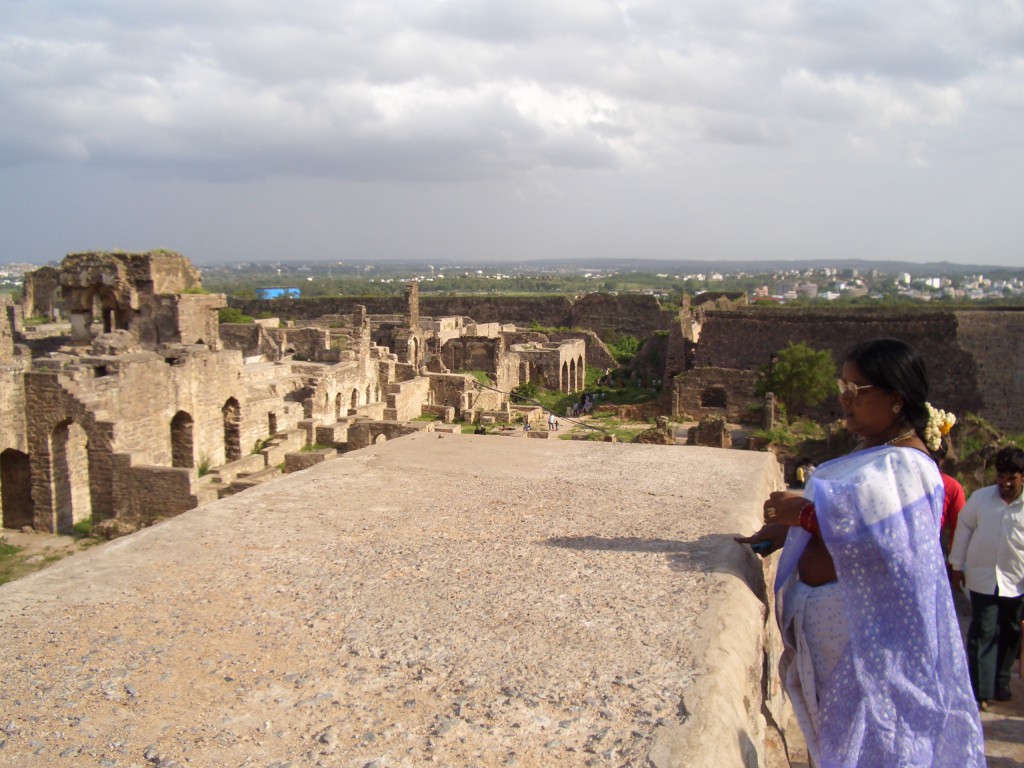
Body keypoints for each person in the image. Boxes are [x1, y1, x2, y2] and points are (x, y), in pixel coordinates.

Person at [737, 338, 984, 767]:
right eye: (843, 386)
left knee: (876, 744)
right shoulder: (876, 451)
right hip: (839, 639)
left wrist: (806, 514)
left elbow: (889, 540)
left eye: (857, 390)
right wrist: (786, 530)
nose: (844, 399)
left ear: (896, 399)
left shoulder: (910, 465)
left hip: (868, 643)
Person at [948, 446, 1024, 709]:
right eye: (1000, 476)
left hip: (1017, 582)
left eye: (1011, 478)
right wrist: (956, 566)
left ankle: (1000, 682)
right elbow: (963, 530)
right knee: (983, 631)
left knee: (1011, 632)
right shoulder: (980, 499)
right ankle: (981, 690)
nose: (1004, 483)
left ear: (1022, 477)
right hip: (982, 578)